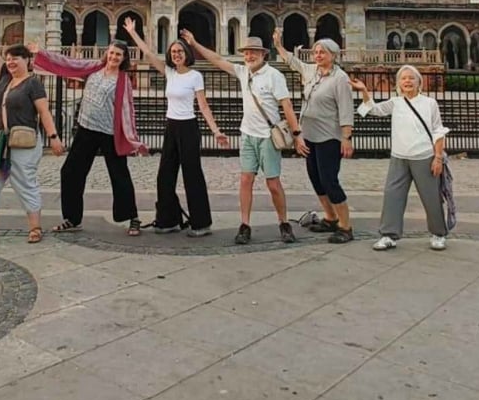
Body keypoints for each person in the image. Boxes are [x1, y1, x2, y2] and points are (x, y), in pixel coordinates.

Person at [181, 31, 305, 245]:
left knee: (273, 183)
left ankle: (284, 222)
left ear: (263, 54)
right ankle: (245, 224)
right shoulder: (242, 71)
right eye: (247, 53)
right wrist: (194, 43)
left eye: (253, 52)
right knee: (245, 180)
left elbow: (286, 105)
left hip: (268, 136)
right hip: (248, 134)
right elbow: (218, 60)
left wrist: (297, 135)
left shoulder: (274, 76)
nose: (249, 56)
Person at [122, 17, 229, 237]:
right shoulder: (169, 73)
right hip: (171, 127)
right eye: (173, 52)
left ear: (187, 54)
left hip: (189, 128)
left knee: (192, 175)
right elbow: (150, 54)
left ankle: (201, 223)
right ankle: (168, 219)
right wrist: (133, 33)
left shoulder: (195, 76)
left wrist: (216, 131)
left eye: (180, 51)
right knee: (165, 176)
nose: (176, 54)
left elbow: (203, 106)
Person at [28, 38, 147, 235]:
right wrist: (42, 52)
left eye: (118, 54)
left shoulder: (123, 80)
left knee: (119, 175)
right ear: (106, 53)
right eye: (112, 53)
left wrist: (132, 138)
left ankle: (132, 218)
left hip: (109, 132)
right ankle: (72, 219)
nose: (114, 57)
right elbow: (69, 63)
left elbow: (128, 109)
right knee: (70, 172)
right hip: (86, 129)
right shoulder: (94, 68)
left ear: (124, 58)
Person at [0, 18, 65, 247]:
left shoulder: (33, 84)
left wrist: (53, 137)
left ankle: (34, 227)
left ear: (27, 61)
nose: (11, 62)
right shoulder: (4, 78)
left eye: (16, 58)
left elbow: (44, 112)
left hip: (22, 143)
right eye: (9, 58)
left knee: (25, 184)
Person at [353, 64, 449, 251]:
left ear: (418, 82)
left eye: (411, 78)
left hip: (424, 157)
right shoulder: (395, 102)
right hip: (399, 157)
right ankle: (389, 234)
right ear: (398, 83)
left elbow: (438, 130)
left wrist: (437, 158)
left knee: (431, 197)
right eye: (403, 78)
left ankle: (438, 234)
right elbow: (373, 110)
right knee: (392, 195)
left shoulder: (429, 103)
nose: (407, 81)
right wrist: (364, 90)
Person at [273, 33, 356, 243]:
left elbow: (346, 110)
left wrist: (346, 137)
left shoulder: (340, 78)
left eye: (323, 52)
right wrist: (278, 46)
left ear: (333, 55)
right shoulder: (312, 71)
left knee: (330, 181)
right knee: (316, 179)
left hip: (329, 136)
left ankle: (345, 226)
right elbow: (293, 62)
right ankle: (330, 218)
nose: (318, 55)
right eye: (316, 52)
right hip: (309, 135)